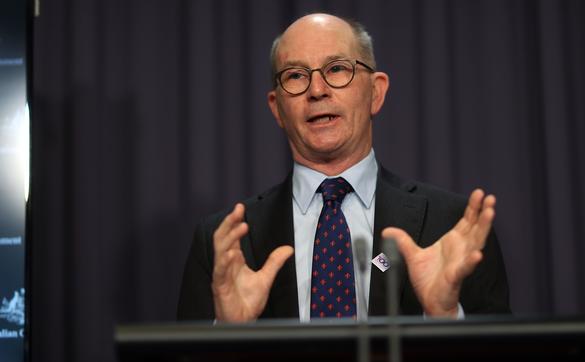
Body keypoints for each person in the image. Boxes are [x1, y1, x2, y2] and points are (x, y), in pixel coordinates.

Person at [177, 13, 509, 322]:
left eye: (336, 69)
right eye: (295, 75)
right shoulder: (224, 243)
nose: (317, 90)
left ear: (375, 92)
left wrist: (445, 316)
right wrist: (228, 335)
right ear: (277, 108)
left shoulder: (454, 226)